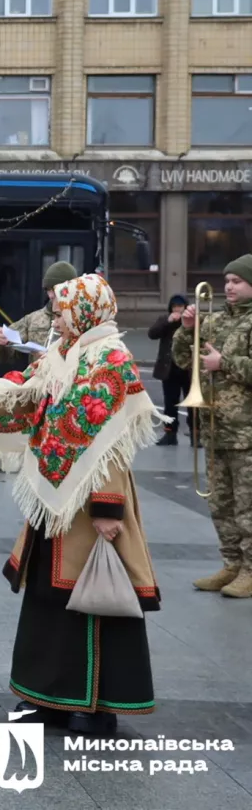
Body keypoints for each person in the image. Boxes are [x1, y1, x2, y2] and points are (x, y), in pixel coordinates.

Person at [0, 273, 160, 734]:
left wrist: (108, 509)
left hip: (89, 508)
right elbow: (19, 393)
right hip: (55, 503)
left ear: (87, 310)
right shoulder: (64, 355)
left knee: (90, 598)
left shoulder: (110, 357)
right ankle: (47, 697)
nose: (57, 314)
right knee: (49, 596)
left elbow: (109, 443)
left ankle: (95, 704)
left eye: (64, 306)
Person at [173, 256, 252, 598]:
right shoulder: (216, 321)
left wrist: (226, 363)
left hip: (246, 432)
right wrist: (187, 329)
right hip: (215, 428)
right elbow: (182, 359)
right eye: (227, 280)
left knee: (248, 506)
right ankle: (231, 563)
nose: (229, 287)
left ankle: (250, 569)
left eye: (237, 281)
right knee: (221, 504)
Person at [0, 260, 77, 368]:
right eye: (47, 290)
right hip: (38, 381)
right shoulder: (33, 319)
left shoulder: (83, 320)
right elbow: (4, 356)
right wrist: (2, 342)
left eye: (55, 289)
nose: (50, 295)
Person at [148, 294, 190, 446]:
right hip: (169, 368)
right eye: (175, 307)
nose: (177, 309)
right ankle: (170, 434)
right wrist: (168, 321)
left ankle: (195, 434)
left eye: (180, 306)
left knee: (192, 405)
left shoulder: (191, 320)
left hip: (188, 368)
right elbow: (152, 334)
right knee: (170, 403)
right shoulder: (164, 319)